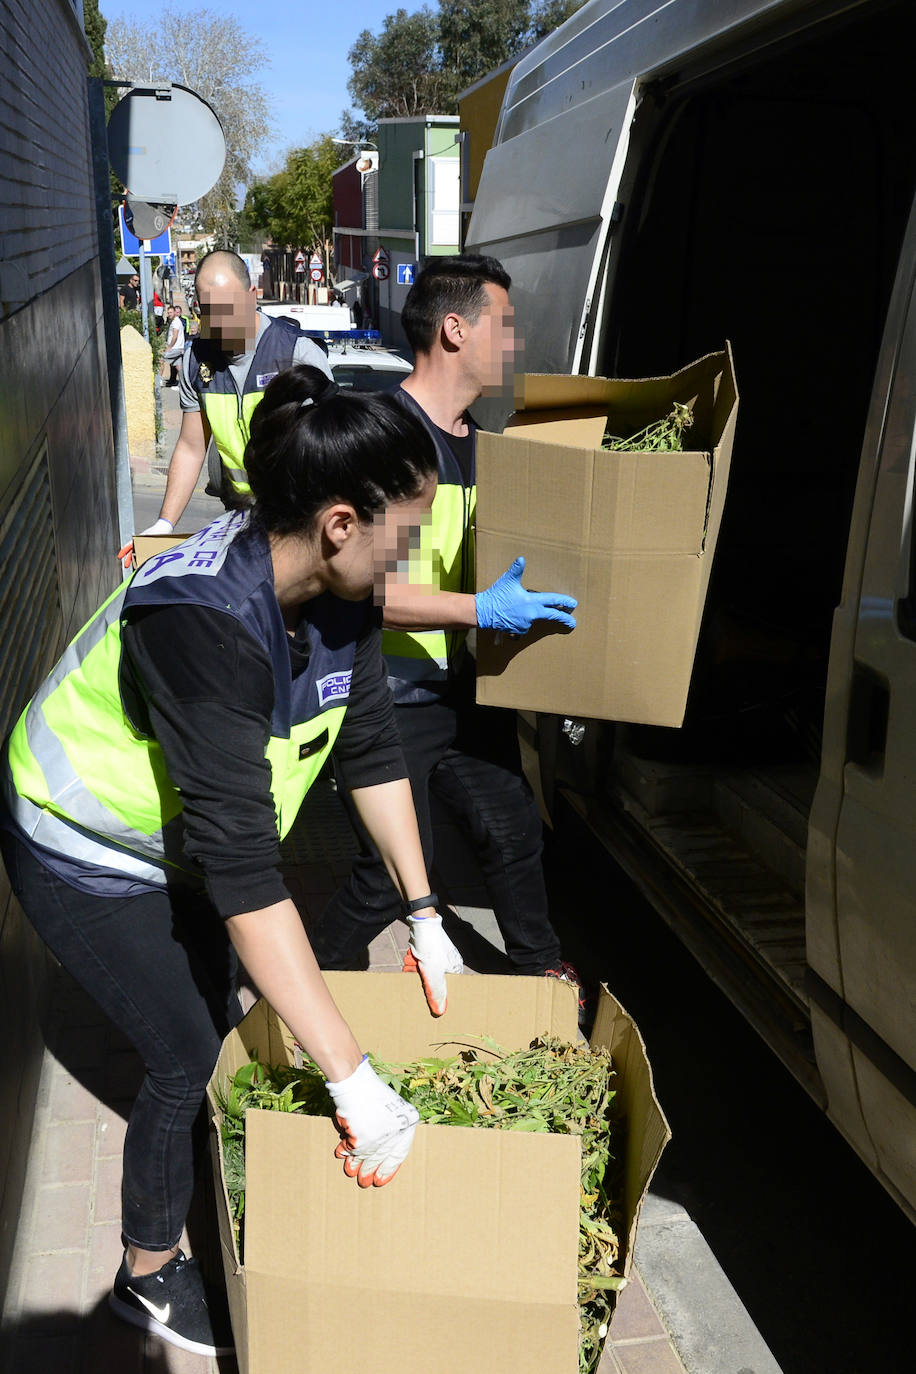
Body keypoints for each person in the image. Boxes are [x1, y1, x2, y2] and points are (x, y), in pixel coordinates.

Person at [1, 365, 456, 1357]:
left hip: (177, 849)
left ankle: (207, 1158)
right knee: (185, 1048)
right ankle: (149, 1276)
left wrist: (423, 911)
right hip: (75, 843)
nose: (410, 553)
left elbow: (370, 747)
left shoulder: (340, 593)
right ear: (340, 522)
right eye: (402, 530)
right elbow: (246, 870)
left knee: (222, 1000)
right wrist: (356, 1081)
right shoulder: (203, 627)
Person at [309, 254, 588, 1018]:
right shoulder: (387, 436)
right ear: (456, 329)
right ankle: (299, 994)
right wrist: (479, 612)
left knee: (510, 829)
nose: (516, 341)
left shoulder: (484, 440)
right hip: (387, 693)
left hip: (463, 688)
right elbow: (361, 584)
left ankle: (542, 990)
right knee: (390, 875)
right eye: (504, 323)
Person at [118, 249, 332, 566]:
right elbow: (191, 448)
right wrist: (164, 526)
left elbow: (335, 448)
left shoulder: (296, 354)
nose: (221, 321)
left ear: (252, 295)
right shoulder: (195, 361)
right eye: (210, 310)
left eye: (229, 307)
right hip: (242, 519)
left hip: (301, 521)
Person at [160, 304, 186, 387]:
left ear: (175, 312)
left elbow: (175, 336)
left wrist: (169, 347)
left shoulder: (176, 322)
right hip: (178, 347)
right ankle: (183, 385)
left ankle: (159, 380)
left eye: (171, 312)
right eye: (168, 313)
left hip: (175, 348)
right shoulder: (175, 321)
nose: (169, 314)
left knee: (161, 359)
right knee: (178, 367)